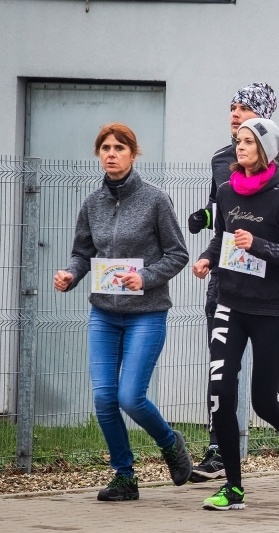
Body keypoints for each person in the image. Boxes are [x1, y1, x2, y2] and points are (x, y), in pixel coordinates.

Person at [53, 123, 192, 501]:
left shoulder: (155, 200)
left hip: (146, 313)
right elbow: (83, 252)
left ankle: (169, 442)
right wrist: (71, 274)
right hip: (104, 314)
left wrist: (144, 278)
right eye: (105, 148)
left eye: (119, 148)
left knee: (130, 397)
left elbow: (178, 254)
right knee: (103, 398)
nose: (111, 154)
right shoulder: (92, 204)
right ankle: (124, 476)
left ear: (133, 154)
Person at [186, 82, 279, 483]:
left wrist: (259, 243)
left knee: (267, 389)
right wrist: (208, 250)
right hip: (228, 290)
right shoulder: (222, 170)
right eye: (233, 108)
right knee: (221, 383)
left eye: (245, 110)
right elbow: (222, 221)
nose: (235, 116)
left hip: (271, 296)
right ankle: (227, 471)